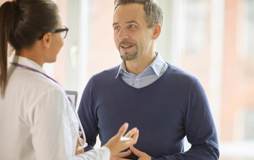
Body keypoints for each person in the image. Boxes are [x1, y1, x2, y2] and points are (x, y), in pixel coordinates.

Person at [78, 0, 219, 159]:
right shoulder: (96, 86)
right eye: (116, 27)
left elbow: (208, 151)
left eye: (131, 26)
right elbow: (76, 146)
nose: (122, 36)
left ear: (156, 31)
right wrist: (103, 157)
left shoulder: (188, 87)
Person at [0, 0, 139, 160]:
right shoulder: (47, 93)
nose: (64, 40)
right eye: (62, 31)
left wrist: (67, 146)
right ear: (46, 39)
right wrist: (106, 151)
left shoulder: (8, 77)